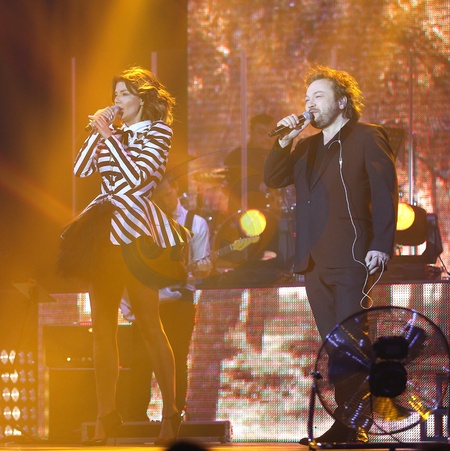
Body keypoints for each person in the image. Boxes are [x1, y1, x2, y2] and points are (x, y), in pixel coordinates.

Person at [264, 65, 398, 444]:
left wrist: (381, 244)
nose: (310, 104)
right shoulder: (306, 147)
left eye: (318, 96)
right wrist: (284, 140)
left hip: (352, 254)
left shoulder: (367, 136)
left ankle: (354, 423)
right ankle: (351, 421)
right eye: (307, 98)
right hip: (314, 260)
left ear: (342, 102)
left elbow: (385, 191)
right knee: (335, 343)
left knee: (351, 339)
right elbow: (273, 178)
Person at [57, 66, 190, 446]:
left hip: (137, 233)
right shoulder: (110, 132)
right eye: (115, 94)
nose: (116, 101)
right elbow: (81, 169)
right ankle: (106, 416)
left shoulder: (158, 132)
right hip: (103, 234)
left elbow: (138, 179)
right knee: (102, 327)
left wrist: (110, 137)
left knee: (149, 324)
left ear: (142, 99)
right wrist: (96, 134)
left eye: (124, 94)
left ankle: (171, 411)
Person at [120, 175, 212, 421]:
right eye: (158, 196)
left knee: (177, 358)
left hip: (179, 303)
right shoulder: (143, 224)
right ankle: (135, 418)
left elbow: (202, 264)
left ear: (176, 188)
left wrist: (201, 268)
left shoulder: (195, 223)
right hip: (145, 301)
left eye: (167, 193)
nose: (164, 199)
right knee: (140, 362)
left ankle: (174, 414)